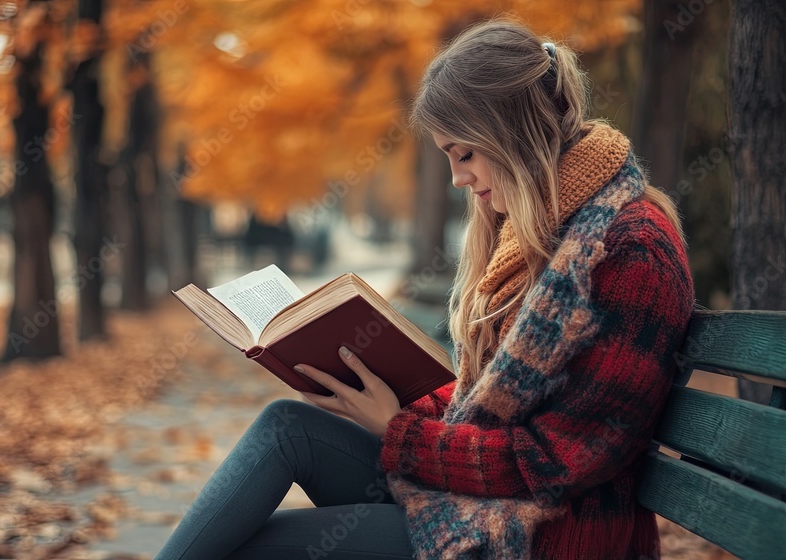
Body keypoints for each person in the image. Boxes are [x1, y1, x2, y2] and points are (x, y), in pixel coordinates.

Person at [155, 18, 695, 560]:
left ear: (512, 134)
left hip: (543, 534)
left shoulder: (629, 250)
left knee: (251, 549)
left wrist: (398, 431)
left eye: (465, 154)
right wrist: (369, 389)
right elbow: (484, 405)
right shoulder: (548, 229)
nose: (458, 179)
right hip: (480, 497)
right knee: (286, 427)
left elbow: (554, 463)